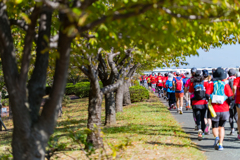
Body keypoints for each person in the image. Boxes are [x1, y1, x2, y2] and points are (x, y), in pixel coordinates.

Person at [206, 67, 233, 151]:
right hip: (225, 109)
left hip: (214, 110)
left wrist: (212, 98)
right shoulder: (226, 85)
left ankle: (216, 138)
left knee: (215, 126)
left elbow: (206, 95)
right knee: (222, 127)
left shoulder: (211, 84)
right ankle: (221, 144)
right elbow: (230, 97)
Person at [189, 70, 208, 140]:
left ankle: (199, 129)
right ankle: (202, 132)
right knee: (203, 117)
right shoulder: (204, 83)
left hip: (195, 103)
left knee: (197, 117)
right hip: (204, 102)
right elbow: (208, 92)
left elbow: (190, 92)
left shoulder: (192, 83)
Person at [227, 69, 237, 135]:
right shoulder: (237, 79)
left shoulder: (227, 81)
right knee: (236, 115)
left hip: (229, 99)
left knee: (230, 115)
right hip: (237, 99)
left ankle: (232, 129)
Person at [202, 70, 212, 135]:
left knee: (204, 116)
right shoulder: (211, 83)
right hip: (210, 101)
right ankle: (208, 129)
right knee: (209, 117)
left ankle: (205, 126)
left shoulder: (201, 83)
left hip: (203, 101)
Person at [233, 71, 240, 140]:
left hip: (238, 99)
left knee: (239, 117)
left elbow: (234, 87)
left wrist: (233, 95)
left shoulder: (237, 79)